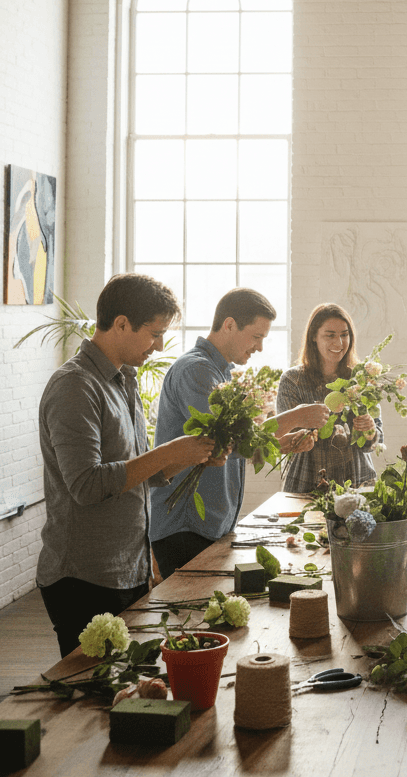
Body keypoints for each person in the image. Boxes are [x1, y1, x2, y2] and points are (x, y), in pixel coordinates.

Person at [36, 273, 218, 657]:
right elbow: (86, 485)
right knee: (90, 704)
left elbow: (136, 477)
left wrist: (187, 458)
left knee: (127, 694)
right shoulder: (75, 386)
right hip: (83, 578)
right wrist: (168, 452)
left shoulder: (124, 380)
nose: (160, 344)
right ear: (120, 324)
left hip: (126, 570)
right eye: (155, 333)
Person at [149, 288, 328, 580]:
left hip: (206, 527)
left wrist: (277, 445)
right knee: (191, 617)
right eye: (256, 337)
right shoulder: (196, 371)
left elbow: (225, 450)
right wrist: (296, 416)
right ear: (229, 325)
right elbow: (228, 438)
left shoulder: (220, 373)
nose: (258, 347)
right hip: (185, 526)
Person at [277, 302, 379, 494]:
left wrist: (369, 431)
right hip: (307, 480)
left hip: (357, 480)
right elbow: (285, 438)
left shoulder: (360, 378)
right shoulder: (293, 380)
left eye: (344, 335)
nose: (339, 343)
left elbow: (372, 443)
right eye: (330, 335)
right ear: (314, 337)